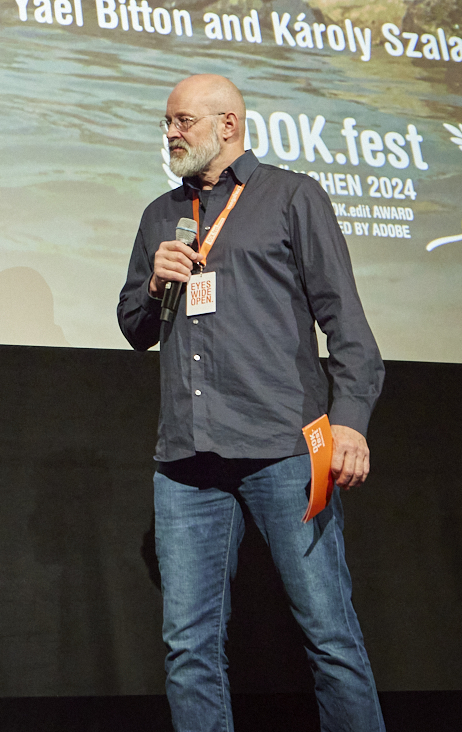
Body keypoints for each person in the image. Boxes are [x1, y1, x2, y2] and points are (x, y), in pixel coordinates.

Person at [117, 73, 386, 732]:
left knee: (329, 633)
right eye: (167, 122)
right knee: (189, 649)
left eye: (183, 121)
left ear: (228, 125)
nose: (171, 133)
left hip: (285, 447)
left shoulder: (292, 196)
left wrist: (350, 423)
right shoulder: (160, 214)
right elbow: (134, 328)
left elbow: (347, 323)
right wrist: (152, 285)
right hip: (186, 461)